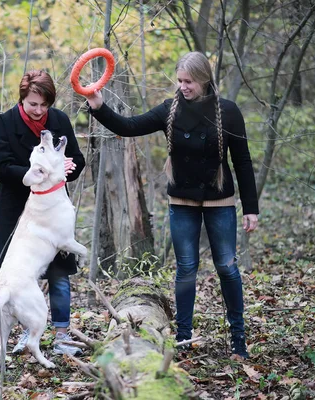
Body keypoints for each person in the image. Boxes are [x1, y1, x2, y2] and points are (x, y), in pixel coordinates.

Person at [83, 52, 259, 359]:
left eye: (188, 81)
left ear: (204, 80)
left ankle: (238, 340)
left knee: (227, 267)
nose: (183, 87)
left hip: (220, 200)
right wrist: (99, 107)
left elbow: (242, 162)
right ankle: (183, 338)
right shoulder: (170, 109)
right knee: (186, 269)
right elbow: (129, 126)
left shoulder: (227, 112)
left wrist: (251, 208)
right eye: (179, 81)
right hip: (182, 201)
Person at [0, 70, 86, 356]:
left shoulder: (59, 121)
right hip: (17, 209)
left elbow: (77, 160)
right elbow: (0, 166)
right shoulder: (5, 122)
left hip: (52, 208)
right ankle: (25, 333)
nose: (39, 110)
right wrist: (34, 174)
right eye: (33, 104)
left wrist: (70, 168)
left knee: (59, 271)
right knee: (16, 275)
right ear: (23, 99)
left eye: (44, 104)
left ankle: (62, 335)